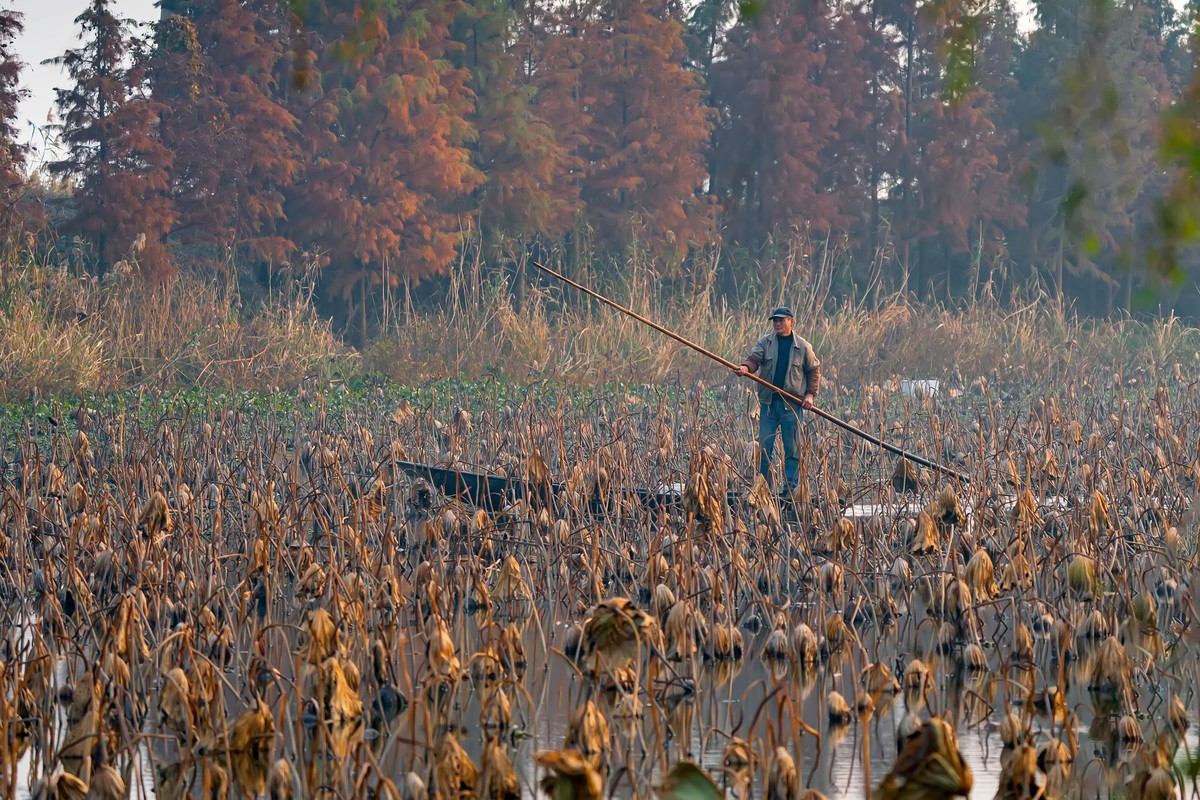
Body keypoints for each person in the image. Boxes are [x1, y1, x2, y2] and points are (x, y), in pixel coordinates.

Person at [733, 306, 821, 496]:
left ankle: (790, 490)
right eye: (775, 321)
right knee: (765, 447)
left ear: (791, 321)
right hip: (769, 404)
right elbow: (754, 359)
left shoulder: (803, 346)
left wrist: (810, 395)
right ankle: (763, 487)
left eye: (781, 320)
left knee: (792, 449)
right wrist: (745, 368)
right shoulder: (765, 342)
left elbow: (813, 371)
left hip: (791, 404)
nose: (778, 324)